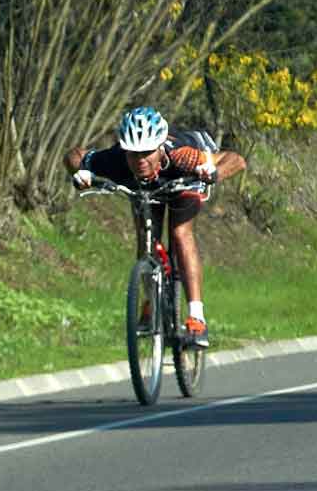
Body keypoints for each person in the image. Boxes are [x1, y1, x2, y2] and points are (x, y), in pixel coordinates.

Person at [64, 106, 246, 348]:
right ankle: (151, 300)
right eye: (133, 154)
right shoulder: (116, 159)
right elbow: (74, 156)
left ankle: (196, 317)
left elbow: (236, 160)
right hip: (145, 191)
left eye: (147, 153)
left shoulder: (183, 156)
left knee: (180, 233)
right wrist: (81, 172)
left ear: (160, 147)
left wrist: (213, 173)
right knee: (146, 242)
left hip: (184, 182)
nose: (140, 160)